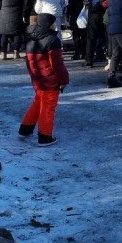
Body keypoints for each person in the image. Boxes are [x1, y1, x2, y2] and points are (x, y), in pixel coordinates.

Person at [19, 12, 69, 146]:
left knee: (37, 104)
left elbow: (29, 63)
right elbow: (57, 65)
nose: (54, 25)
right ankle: (45, 136)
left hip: (38, 79)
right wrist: (64, 80)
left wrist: (34, 79)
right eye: (53, 23)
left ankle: (25, 129)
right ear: (49, 25)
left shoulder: (31, 40)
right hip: (50, 80)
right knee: (48, 108)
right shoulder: (52, 41)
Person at [84, 0, 109, 68]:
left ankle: (88, 59)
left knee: (91, 37)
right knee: (106, 37)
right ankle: (109, 59)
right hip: (104, 13)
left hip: (93, 13)